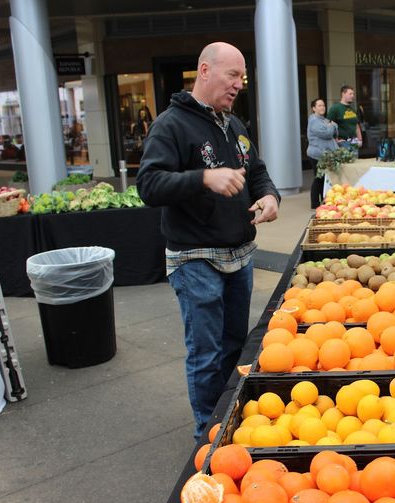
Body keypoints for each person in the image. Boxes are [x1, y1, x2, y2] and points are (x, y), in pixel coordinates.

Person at [136, 42, 280, 440]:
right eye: (232, 75)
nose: (239, 85)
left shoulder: (234, 124)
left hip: (239, 254)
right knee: (206, 354)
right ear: (204, 71)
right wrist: (202, 177)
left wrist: (269, 196)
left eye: (242, 78)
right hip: (195, 258)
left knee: (236, 345)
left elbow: (258, 172)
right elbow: (147, 185)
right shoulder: (171, 123)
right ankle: (208, 433)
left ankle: (231, 417)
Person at [306, 98, 338, 208]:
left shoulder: (323, 120)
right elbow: (327, 133)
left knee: (323, 179)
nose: (322, 107)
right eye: (319, 106)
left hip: (324, 155)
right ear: (313, 108)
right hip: (317, 155)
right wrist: (332, 126)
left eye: (323, 105)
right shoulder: (314, 120)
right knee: (319, 178)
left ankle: (320, 202)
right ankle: (315, 204)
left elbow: (334, 132)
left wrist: (332, 126)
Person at [327, 85, 363, 150]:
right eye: (350, 94)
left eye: (353, 94)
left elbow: (356, 125)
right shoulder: (335, 108)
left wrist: (360, 139)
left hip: (354, 142)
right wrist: (335, 140)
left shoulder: (352, 109)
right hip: (343, 143)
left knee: (355, 160)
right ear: (343, 94)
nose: (352, 96)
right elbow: (328, 126)